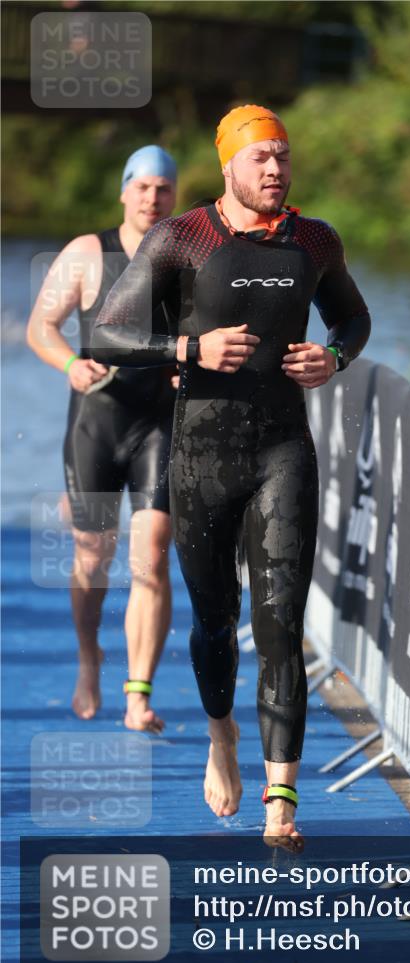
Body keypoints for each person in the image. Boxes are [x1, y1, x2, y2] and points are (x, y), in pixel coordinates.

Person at [93, 105, 371, 849]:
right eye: (260, 158)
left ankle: (282, 801)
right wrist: (188, 348)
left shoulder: (314, 240)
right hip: (201, 458)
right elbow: (104, 334)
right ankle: (222, 738)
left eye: (282, 155)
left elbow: (352, 321)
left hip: (283, 451)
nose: (275, 169)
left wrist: (333, 359)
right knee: (215, 622)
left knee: (280, 628)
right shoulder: (183, 237)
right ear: (229, 167)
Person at [27, 145, 179, 734]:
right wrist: (69, 363)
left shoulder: (186, 256)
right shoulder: (88, 253)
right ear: (124, 192)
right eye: (142, 187)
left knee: (153, 554)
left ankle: (137, 694)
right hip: (97, 422)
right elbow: (42, 325)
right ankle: (90, 658)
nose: (153, 198)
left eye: (164, 188)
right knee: (94, 554)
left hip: (159, 424)